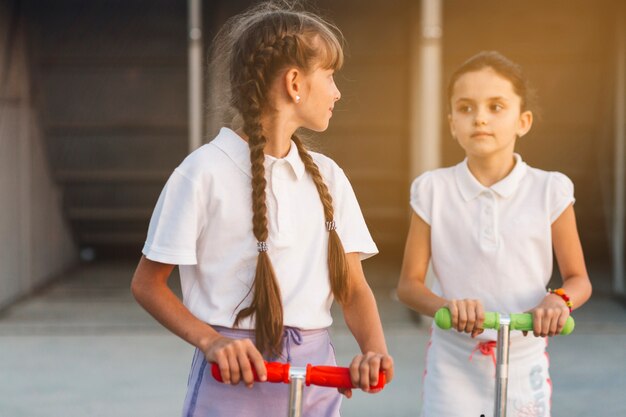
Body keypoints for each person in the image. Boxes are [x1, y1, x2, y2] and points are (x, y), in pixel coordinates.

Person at [130, 2, 393, 416]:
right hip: (232, 380)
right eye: (329, 75)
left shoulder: (329, 177)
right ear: (294, 83)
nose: (337, 91)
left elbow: (354, 289)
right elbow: (147, 284)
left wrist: (374, 351)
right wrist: (212, 341)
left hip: (317, 381)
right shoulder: (201, 173)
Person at [397, 51, 592, 417]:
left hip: (524, 360)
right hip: (453, 363)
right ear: (452, 122)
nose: (480, 117)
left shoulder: (550, 189)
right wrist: (448, 307)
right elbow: (409, 285)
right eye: (466, 108)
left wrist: (559, 301)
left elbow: (578, 279)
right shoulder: (432, 189)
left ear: (523, 121)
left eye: (496, 106)